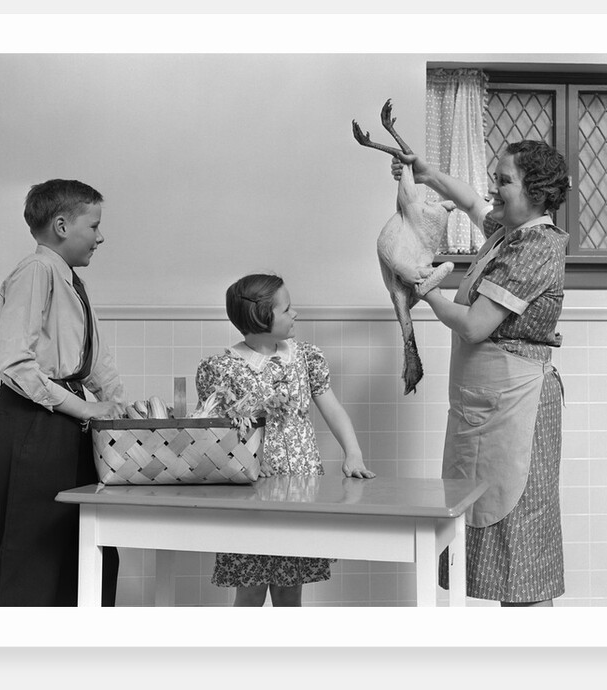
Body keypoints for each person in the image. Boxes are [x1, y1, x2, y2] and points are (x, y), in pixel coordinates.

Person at [392, 140, 570, 607]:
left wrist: (425, 287)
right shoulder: (509, 233)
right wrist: (427, 174)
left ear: (536, 192)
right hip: (490, 408)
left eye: (504, 181)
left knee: (522, 551)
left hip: (517, 411)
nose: (494, 189)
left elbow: (474, 326)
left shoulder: (535, 245)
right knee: (497, 543)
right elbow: (472, 203)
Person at [0, 179, 127, 606]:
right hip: (31, 424)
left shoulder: (70, 280)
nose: (100, 237)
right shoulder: (37, 271)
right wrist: (86, 409)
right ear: (62, 226)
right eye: (93, 226)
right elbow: (14, 363)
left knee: (88, 550)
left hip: (62, 423)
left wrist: (118, 407)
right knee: (33, 560)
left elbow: (92, 359)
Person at [195, 273, 376, 607]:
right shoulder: (221, 368)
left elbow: (333, 409)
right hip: (251, 495)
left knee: (289, 591)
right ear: (261, 316)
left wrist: (353, 453)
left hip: (301, 490)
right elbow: (213, 431)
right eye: (287, 309)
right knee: (250, 591)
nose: (296, 313)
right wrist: (244, 461)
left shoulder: (305, 357)